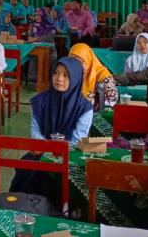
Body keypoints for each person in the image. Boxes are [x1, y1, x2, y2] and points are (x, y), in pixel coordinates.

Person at [9, 58, 94, 199]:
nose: (59, 79)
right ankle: (26, 209)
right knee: (29, 168)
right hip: (42, 151)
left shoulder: (84, 108)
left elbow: (78, 141)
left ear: (76, 78)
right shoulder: (40, 100)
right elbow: (35, 130)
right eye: (56, 73)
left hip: (70, 155)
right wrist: (46, 147)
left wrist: (53, 149)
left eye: (66, 75)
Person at [68, 43, 118, 110]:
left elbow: (112, 100)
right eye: (72, 61)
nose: (75, 65)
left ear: (88, 60)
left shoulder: (103, 76)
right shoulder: (67, 74)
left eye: (80, 62)